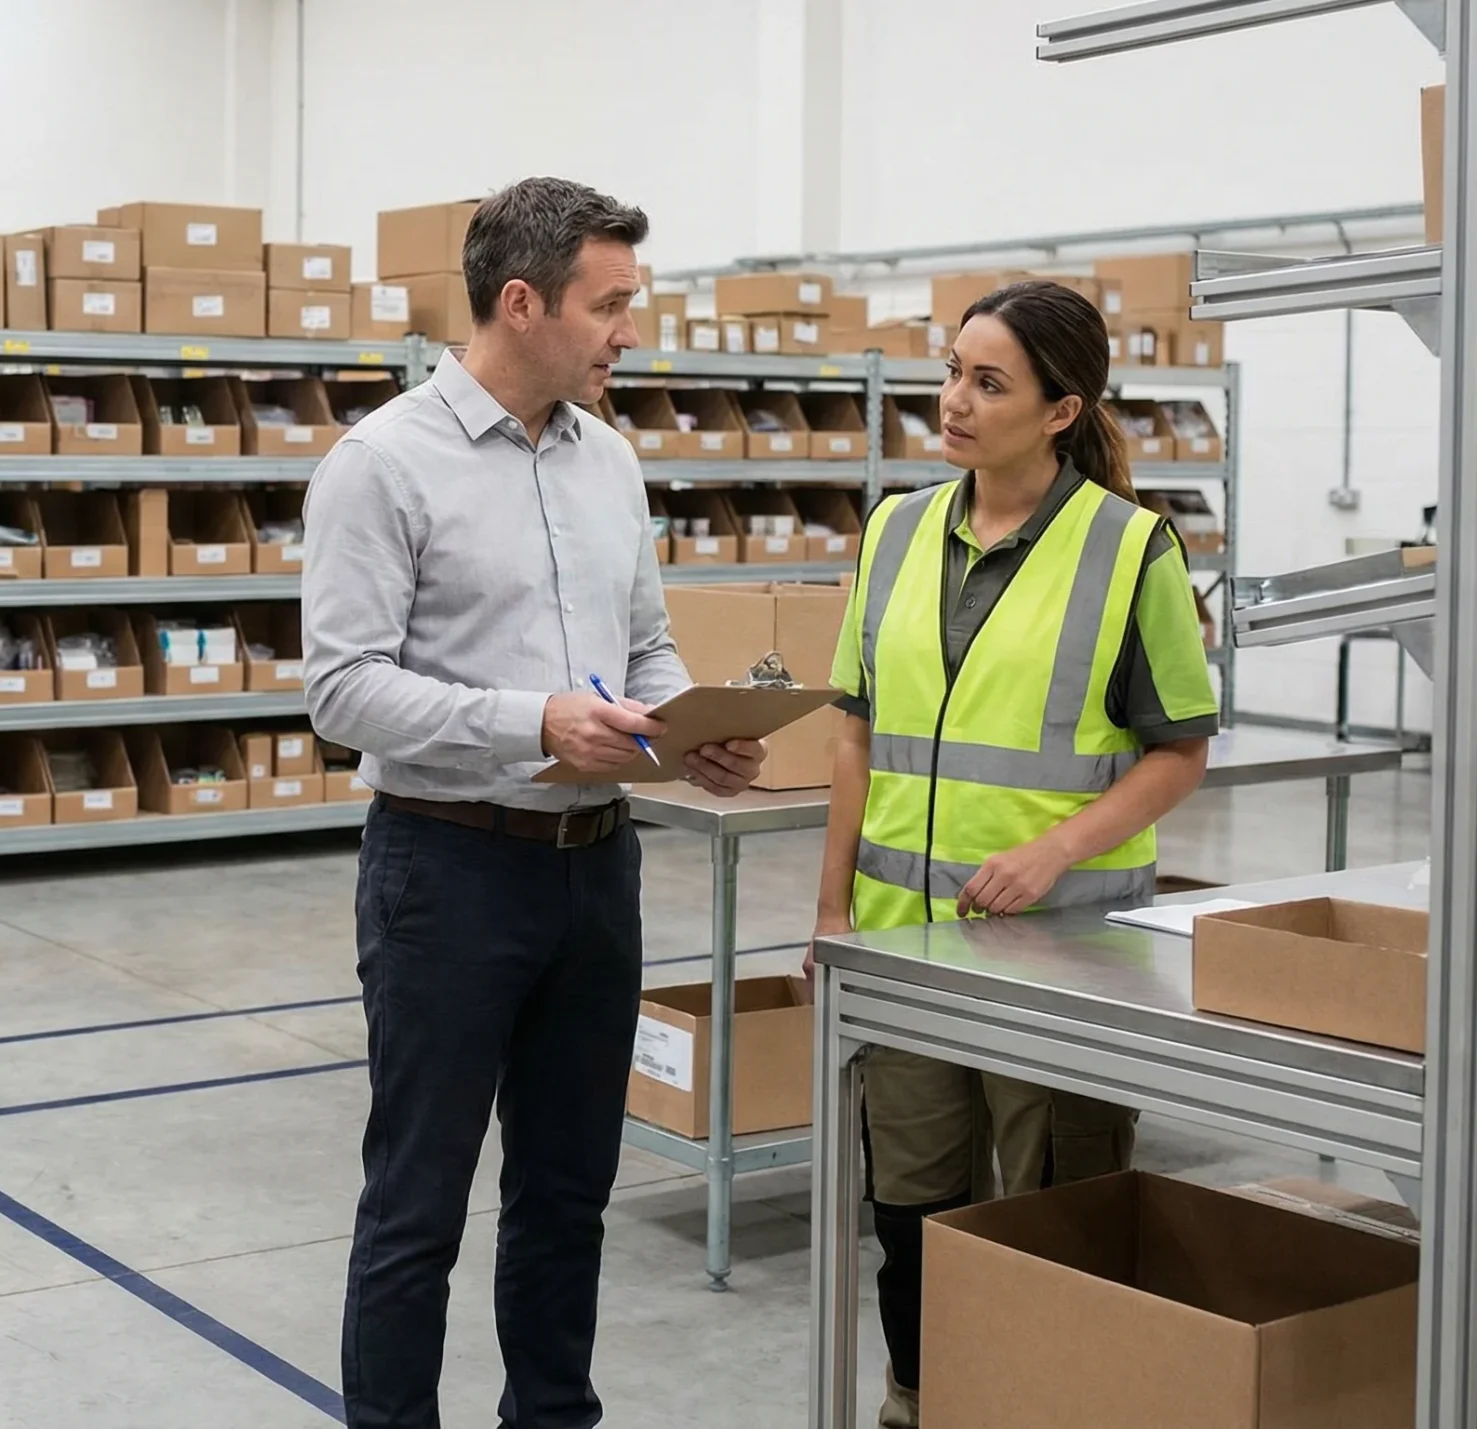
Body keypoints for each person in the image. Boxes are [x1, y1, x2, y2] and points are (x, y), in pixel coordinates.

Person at [302, 176, 765, 1429]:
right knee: (418, 1206)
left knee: (567, 1191)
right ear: (520, 303)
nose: (630, 332)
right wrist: (532, 719)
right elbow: (341, 692)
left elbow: (645, 641)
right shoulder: (380, 466)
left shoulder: (609, 459)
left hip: (594, 866)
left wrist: (689, 733)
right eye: (609, 305)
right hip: (446, 871)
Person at [811, 279, 1219, 1428]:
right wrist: (831, 911)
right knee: (911, 1209)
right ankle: (918, 1398)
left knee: (1056, 1210)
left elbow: (1177, 751)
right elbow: (854, 732)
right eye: (950, 371)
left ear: (1058, 409)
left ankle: (1049, 1401)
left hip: (1058, 956)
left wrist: (1050, 853)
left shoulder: (1130, 548)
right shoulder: (893, 529)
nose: (952, 400)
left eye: (986, 382)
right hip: (903, 951)